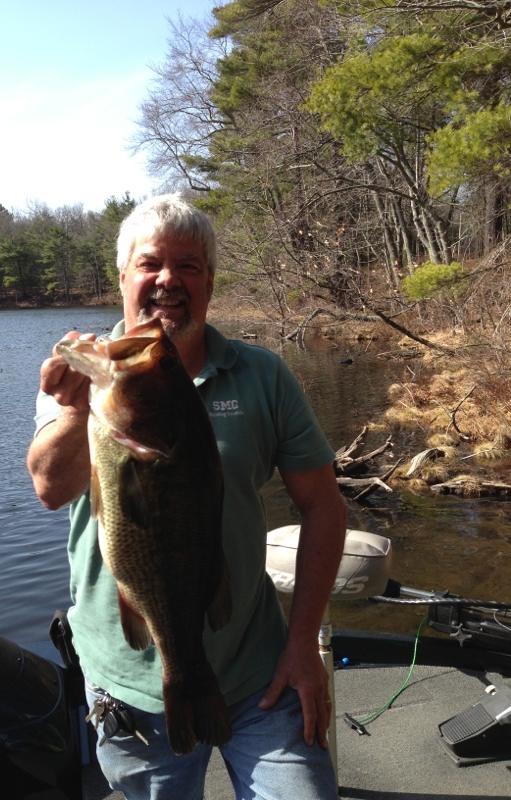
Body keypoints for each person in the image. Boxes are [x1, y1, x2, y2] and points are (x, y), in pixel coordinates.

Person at [27, 194, 347, 800]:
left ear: (209, 283)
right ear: (121, 277)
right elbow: (50, 488)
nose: (168, 280)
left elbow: (325, 505)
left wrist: (303, 643)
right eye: (150, 264)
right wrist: (75, 411)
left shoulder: (263, 376)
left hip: (260, 672)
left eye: (189, 266)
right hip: (125, 684)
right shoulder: (82, 374)